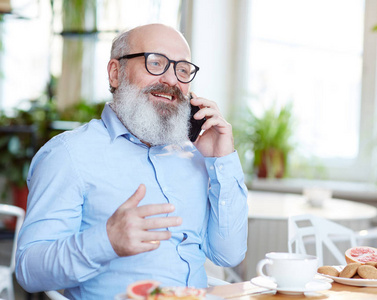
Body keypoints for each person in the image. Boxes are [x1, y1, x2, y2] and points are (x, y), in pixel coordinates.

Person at [15, 23, 248, 299]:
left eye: (182, 69)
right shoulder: (68, 154)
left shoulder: (197, 156)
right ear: (116, 73)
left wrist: (222, 159)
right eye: (156, 62)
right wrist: (106, 241)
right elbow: (28, 271)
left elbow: (228, 254)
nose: (172, 80)